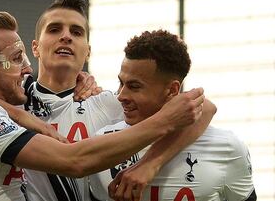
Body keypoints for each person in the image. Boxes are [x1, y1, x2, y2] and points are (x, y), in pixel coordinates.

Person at [0, 0, 216, 201]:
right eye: (55, 29)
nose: (66, 37)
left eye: (76, 32)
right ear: (36, 48)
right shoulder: (12, 96)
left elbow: (201, 108)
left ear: (87, 51)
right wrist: (20, 114)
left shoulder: (108, 102)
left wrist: (151, 162)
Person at [89, 30, 256, 201]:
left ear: (172, 90)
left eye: (134, 86)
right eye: (121, 83)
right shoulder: (102, 143)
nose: (121, 95)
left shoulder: (226, 147)